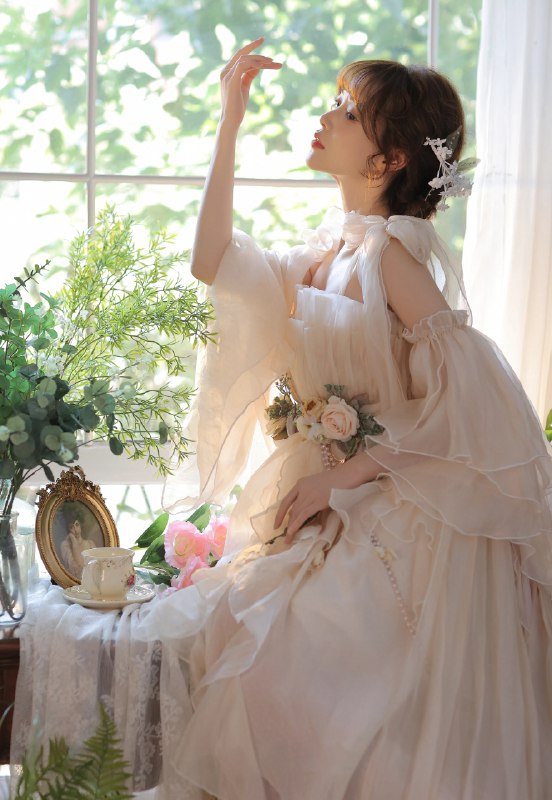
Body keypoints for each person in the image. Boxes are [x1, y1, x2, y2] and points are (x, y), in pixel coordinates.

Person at [142, 38, 552, 799]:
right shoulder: (326, 250)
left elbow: (472, 398)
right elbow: (212, 261)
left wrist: (345, 479)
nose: (327, 116)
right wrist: (229, 122)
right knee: (239, 629)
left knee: (293, 663)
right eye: (336, 102)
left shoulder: (391, 255)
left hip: (396, 503)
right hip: (334, 496)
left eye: (349, 112)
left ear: (389, 159)